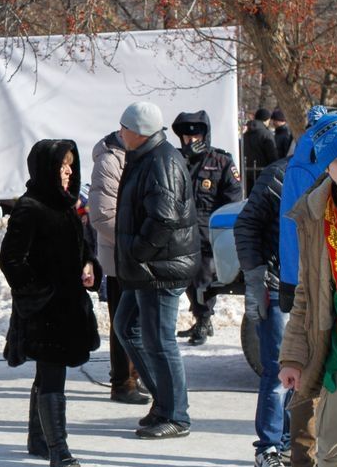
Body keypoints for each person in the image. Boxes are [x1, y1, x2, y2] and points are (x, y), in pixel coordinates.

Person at [0, 139, 101, 467]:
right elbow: (11, 261)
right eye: (62, 165)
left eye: (71, 165)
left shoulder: (66, 206)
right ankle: (59, 450)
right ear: (46, 169)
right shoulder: (30, 207)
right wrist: (39, 293)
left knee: (48, 374)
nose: (69, 172)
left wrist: (88, 265)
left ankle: (39, 439)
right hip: (45, 311)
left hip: (67, 308)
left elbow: (79, 249)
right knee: (53, 376)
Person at [279, 112, 337, 467]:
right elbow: (306, 292)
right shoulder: (315, 214)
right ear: (327, 165)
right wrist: (292, 356)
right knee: (332, 442)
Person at [113, 101, 200, 439]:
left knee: (161, 342)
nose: (120, 133)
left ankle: (176, 414)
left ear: (139, 131)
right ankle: (164, 403)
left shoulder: (161, 161)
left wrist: (138, 253)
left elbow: (163, 217)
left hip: (159, 269)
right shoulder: (146, 156)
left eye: (124, 128)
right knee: (127, 327)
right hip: (146, 267)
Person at [279, 105, 333, 467]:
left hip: (297, 277)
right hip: (315, 280)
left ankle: (301, 464)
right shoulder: (320, 171)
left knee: (306, 377)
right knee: (313, 375)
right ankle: (305, 463)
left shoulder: (295, 165)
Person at [233, 156, 291, 467]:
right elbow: (246, 225)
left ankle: (290, 443)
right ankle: (268, 448)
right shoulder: (278, 174)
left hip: (316, 290)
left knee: (308, 371)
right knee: (279, 368)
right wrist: (256, 277)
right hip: (278, 285)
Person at [172, 111, 243, 345]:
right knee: (187, 281)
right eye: (186, 137)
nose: (191, 142)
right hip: (181, 230)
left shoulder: (221, 161)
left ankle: (204, 320)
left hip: (207, 232)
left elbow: (233, 196)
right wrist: (185, 161)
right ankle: (200, 317)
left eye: (196, 137)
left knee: (203, 278)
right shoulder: (175, 160)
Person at [90, 127, 149, 405]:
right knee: (122, 323)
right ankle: (122, 382)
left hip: (137, 255)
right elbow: (102, 215)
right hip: (119, 257)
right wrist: (134, 242)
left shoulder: (135, 156)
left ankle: (135, 376)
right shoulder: (109, 160)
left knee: (137, 322)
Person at [243, 108, 278, 194]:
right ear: (266, 119)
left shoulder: (246, 133)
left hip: (248, 173)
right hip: (263, 174)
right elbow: (272, 156)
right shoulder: (266, 134)